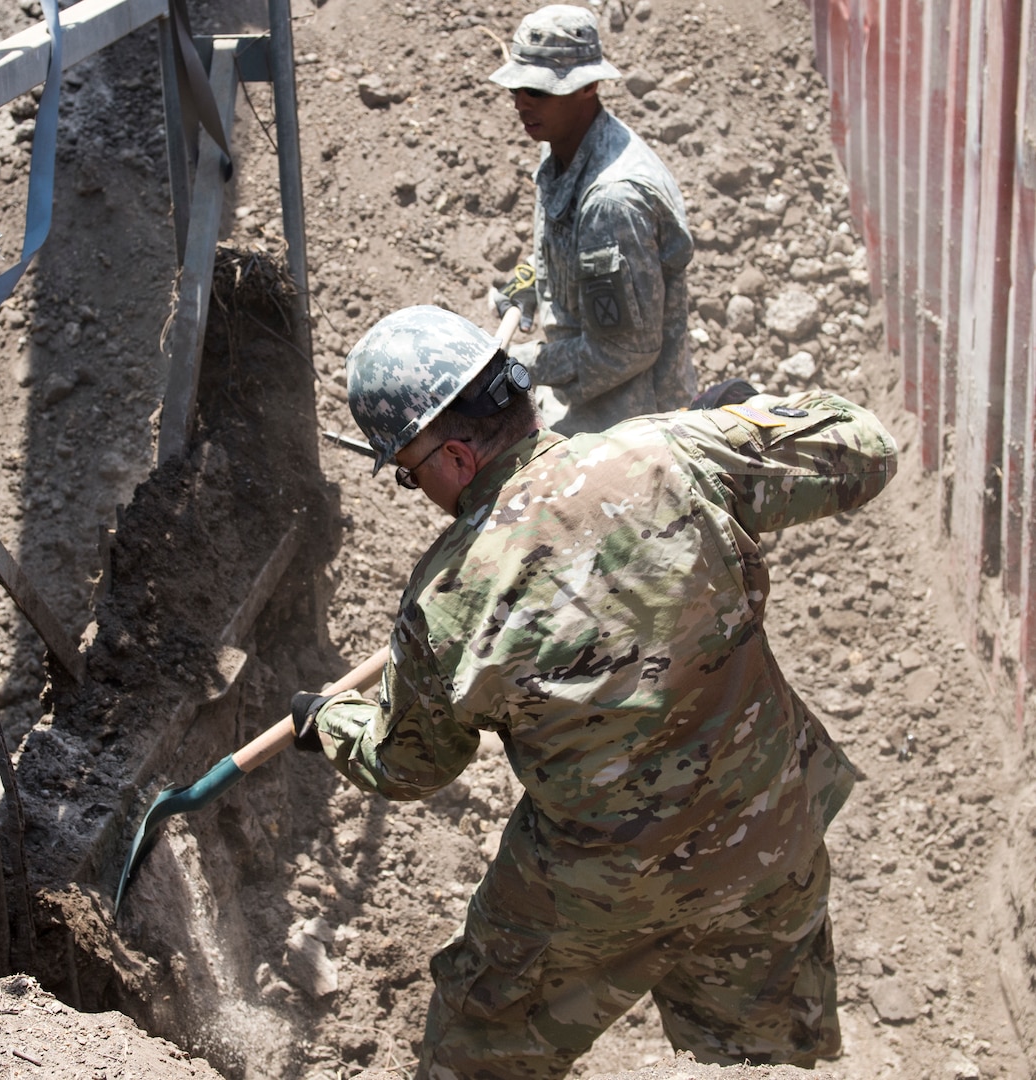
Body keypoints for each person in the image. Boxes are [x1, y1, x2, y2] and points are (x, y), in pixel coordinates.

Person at [292, 305, 897, 1079]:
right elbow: (866, 449)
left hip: (598, 892)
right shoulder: (669, 452)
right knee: (761, 1058)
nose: (420, 491)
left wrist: (331, 721)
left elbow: (409, 767)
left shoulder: (443, 604)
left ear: (453, 460)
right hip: (767, 835)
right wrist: (736, 424)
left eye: (410, 475)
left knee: (479, 1044)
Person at [488, 5, 696, 436]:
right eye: (516, 90)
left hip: (632, 430)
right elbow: (568, 251)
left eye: (537, 90)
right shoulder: (561, 148)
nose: (521, 102)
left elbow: (624, 352)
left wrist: (520, 363)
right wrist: (530, 281)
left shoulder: (612, 200)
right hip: (584, 402)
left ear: (589, 87)